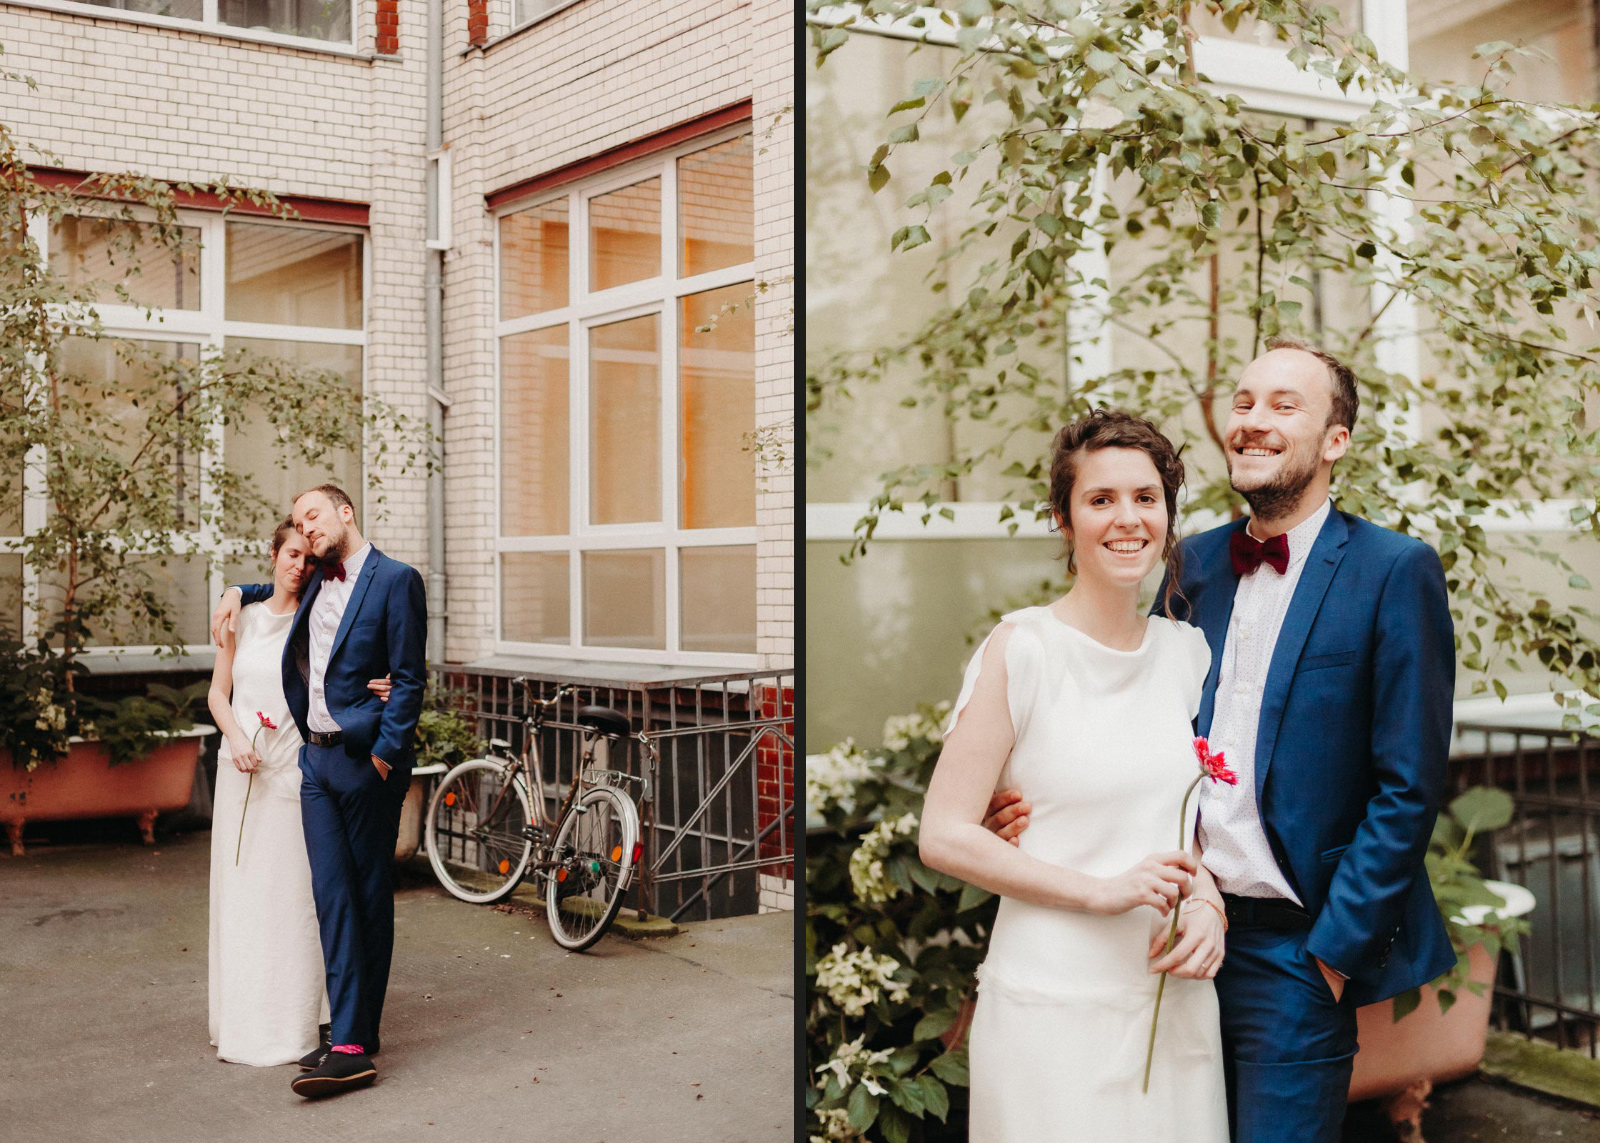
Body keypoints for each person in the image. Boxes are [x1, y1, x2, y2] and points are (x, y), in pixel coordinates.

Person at [987, 336, 1457, 1143]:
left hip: (1294, 952)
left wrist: (1331, 957)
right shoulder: (1190, 563)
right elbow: (1132, 717)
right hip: (1162, 934)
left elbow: (1408, 785)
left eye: (1285, 404)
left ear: (1335, 440)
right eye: (1243, 402)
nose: (1253, 420)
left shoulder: (1394, 569)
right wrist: (1029, 805)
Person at [918, 409, 1230, 1142]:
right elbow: (943, 833)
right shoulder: (1022, 649)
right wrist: (1100, 890)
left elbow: (1197, 818)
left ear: (1168, 514)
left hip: (1172, 999)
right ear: (1064, 518)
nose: (1127, 519)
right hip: (1051, 1005)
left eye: (1146, 498)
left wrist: (1210, 898)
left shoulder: (1189, 655)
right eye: (1100, 499)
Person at [210, 484, 427, 1098]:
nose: (305, 531)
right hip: (314, 766)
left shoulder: (395, 579)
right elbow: (270, 593)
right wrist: (236, 589)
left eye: (314, 517)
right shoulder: (314, 583)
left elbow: (410, 678)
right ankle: (348, 1032)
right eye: (299, 524)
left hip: (365, 763)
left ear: (345, 512)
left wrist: (385, 756)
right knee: (332, 899)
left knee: (364, 896)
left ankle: (356, 1042)